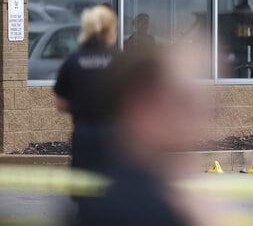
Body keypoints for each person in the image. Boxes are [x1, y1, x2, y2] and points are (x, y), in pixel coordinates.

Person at [76, 48, 211, 226]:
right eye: (184, 102)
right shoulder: (146, 208)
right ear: (146, 107)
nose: (198, 118)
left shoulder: (132, 188)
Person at [54, 5, 118, 175]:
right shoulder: (121, 61)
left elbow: (61, 104)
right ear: (110, 29)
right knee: (114, 191)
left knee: (84, 189)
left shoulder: (73, 61)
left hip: (84, 134)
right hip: (116, 136)